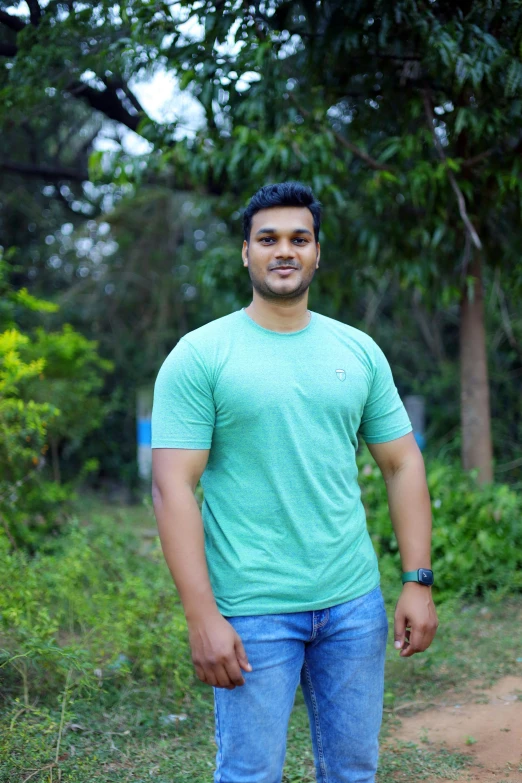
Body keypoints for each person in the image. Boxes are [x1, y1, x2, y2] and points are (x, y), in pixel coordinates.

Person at [151, 181, 438, 783]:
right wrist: (202, 615)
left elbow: (402, 463)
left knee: (354, 771)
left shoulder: (357, 351)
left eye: (298, 239)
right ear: (246, 253)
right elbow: (172, 485)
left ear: (316, 253)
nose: (284, 251)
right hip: (251, 610)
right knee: (251, 773)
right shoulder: (202, 354)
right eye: (268, 239)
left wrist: (417, 580)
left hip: (352, 604)